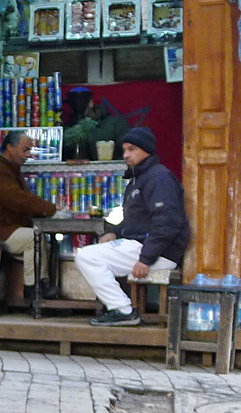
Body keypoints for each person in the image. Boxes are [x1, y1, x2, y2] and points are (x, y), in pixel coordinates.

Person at [73, 127, 189, 326]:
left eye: (132, 149)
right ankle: (121, 308)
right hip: (142, 246)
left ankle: (123, 310)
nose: (126, 154)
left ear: (147, 150)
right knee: (90, 255)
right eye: (125, 150)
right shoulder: (139, 179)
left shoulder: (159, 178)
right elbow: (136, 220)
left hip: (159, 253)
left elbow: (167, 222)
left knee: (86, 256)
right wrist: (114, 233)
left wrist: (146, 259)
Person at [0, 129, 58, 288]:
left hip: (9, 228)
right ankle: (34, 289)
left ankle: (43, 285)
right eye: (25, 149)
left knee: (47, 242)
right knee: (35, 238)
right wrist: (50, 208)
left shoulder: (10, 169)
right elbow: (18, 200)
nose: (28, 154)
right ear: (10, 147)